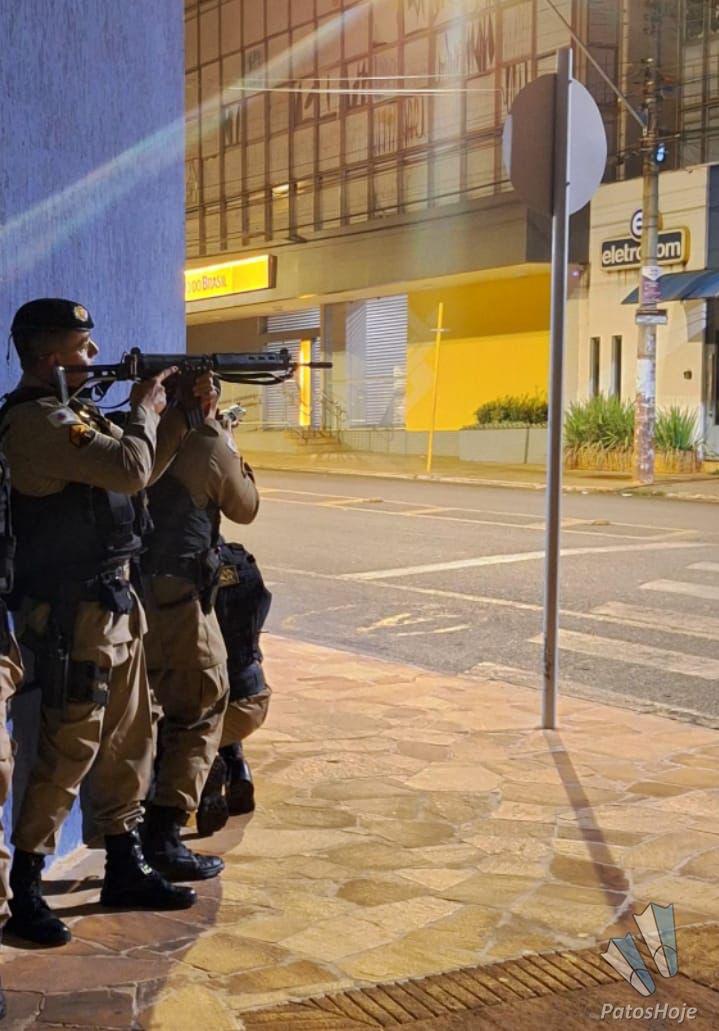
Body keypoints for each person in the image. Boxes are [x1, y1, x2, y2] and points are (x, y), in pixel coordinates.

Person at [0, 297, 197, 948]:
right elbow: (129, 466)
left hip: (114, 600)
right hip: (72, 611)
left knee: (129, 739)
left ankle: (124, 862)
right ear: (50, 356)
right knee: (71, 748)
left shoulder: (76, 412)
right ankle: (27, 883)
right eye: (83, 348)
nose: (94, 356)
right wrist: (144, 408)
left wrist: (180, 417)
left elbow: (139, 476)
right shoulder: (38, 421)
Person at [140, 374, 260, 880]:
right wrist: (230, 444)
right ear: (204, 399)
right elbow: (245, 506)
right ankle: (164, 835)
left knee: (144, 711)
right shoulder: (208, 440)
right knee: (204, 703)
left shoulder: (140, 433)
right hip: (181, 594)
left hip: (133, 592)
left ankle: (133, 829)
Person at [196, 541, 272, 836]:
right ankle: (237, 767)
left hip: (201, 707)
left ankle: (204, 772)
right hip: (253, 696)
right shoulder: (241, 562)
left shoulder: (178, 572)